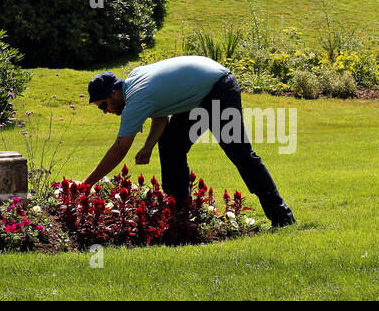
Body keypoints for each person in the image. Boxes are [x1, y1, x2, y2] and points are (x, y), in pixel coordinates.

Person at [83, 55, 295, 227]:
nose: (105, 112)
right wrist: (149, 146)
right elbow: (160, 115)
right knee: (171, 144)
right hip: (201, 94)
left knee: (239, 153)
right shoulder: (135, 81)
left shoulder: (136, 98)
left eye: (103, 105)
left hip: (218, 88)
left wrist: (86, 186)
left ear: (114, 93)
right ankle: (181, 214)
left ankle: (282, 217)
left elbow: (119, 149)